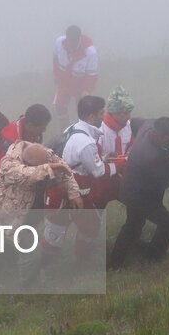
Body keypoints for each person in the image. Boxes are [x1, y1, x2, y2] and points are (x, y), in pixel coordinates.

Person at [0, 142, 82, 291]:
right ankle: (26, 287)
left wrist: (74, 193)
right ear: (27, 161)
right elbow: (24, 173)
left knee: (0, 247)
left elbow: (63, 169)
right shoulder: (9, 162)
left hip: (29, 215)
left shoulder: (43, 154)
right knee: (31, 252)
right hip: (9, 217)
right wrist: (46, 169)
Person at [43, 95, 108, 264]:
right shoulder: (86, 142)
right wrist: (119, 165)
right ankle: (44, 271)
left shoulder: (72, 128)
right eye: (101, 113)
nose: (104, 116)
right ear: (91, 117)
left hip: (67, 192)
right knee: (56, 235)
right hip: (67, 194)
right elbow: (98, 171)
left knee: (88, 226)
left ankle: (79, 261)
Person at [110, 118, 169, 268]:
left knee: (133, 224)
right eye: (167, 140)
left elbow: (135, 121)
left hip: (136, 188)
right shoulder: (150, 156)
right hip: (139, 195)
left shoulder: (149, 126)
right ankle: (153, 256)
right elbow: (165, 180)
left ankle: (115, 263)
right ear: (156, 135)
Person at [0, 104, 53, 185]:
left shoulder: (34, 134)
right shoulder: (11, 141)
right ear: (30, 125)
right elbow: (0, 171)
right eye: (42, 127)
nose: (44, 130)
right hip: (7, 184)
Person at [53, 25, 99, 122]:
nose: (70, 45)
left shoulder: (91, 52)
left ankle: (82, 129)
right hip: (64, 80)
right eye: (69, 41)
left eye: (73, 42)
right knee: (59, 106)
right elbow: (55, 59)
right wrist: (56, 75)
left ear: (79, 39)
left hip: (80, 83)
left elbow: (91, 76)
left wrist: (86, 91)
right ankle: (64, 130)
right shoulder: (59, 43)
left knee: (82, 109)